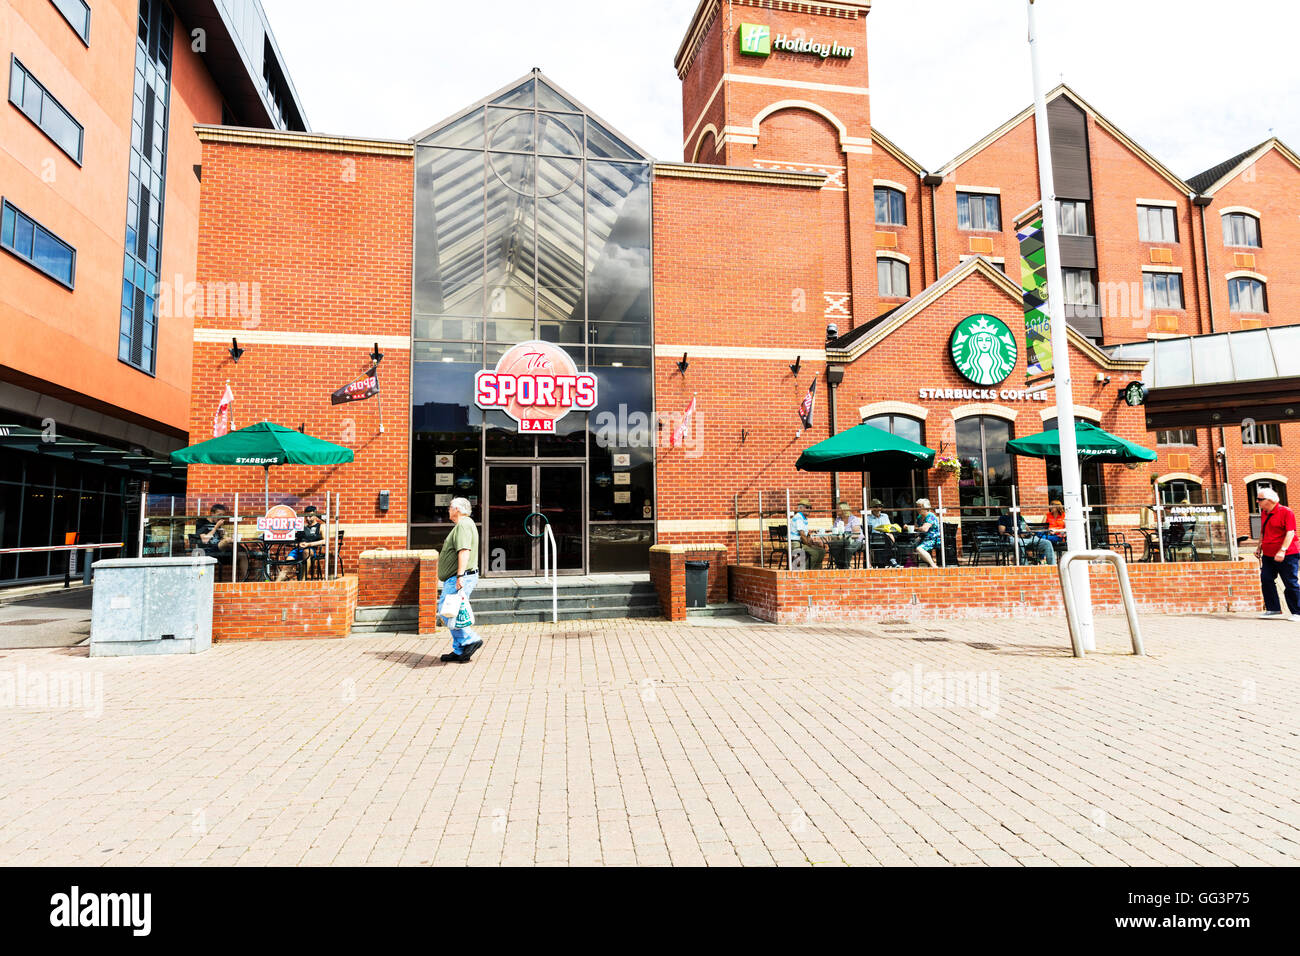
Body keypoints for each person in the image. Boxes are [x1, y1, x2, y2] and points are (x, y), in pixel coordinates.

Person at [439, 497, 484, 662]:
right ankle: (459, 650)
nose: (448, 510)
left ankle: (470, 639)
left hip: (459, 577)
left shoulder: (464, 524)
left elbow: (464, 550)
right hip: (458, 576)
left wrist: (459, 575)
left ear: (457, 509)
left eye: (450, 507)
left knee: (447, 611)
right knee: (453, 613)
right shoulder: (464, 524)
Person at [1254, 488, 1300, 621]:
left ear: (1270, 500)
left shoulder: (1286, 512)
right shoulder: (1264, 512)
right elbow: (1263, 531)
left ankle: (1297, 612)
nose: (1257, 501)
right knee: (1266, 579)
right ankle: (1273, 608)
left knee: (1290, 582)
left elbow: (1290, 532)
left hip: (1287, 554)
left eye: (1260, 499)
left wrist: (1282, 550)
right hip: (1268, 554)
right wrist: (1259, 547)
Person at [277, 505, 327, 581]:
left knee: (306, 552)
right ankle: (276, 583)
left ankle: (303, 580)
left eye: (310, 516)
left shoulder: (320, 526)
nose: (307, 518)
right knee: (287, 564)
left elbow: (325, 541)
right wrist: (297, 544)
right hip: (298, 549)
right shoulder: (301, 527)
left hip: (310, 549)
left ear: (315, 515)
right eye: (306, 516)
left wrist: (309, 544)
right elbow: (294, 539)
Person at [788, 497, 825, 570]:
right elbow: (802, 534)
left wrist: (813, 543)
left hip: (801, 542)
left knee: (822, 551)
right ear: (801, 508)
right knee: (815, 553)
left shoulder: (804, 518)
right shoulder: (798, 517)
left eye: (810, 508)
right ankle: (806, 570)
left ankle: (816, 570)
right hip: (795, 543)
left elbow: (806, 535)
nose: (809, 509)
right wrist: (810, 544)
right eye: (807, 507)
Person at [830, 502, 864, 568]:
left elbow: (856, 534)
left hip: (856, 541)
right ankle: (839, 565)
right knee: (834, 546)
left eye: (837, 508)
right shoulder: (838, 520)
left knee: (847, 548)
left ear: (843, 509)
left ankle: (846, 566)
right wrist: (836, 537)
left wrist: (845, 537)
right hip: (842, 541)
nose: (835, 510)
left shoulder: (853, 519)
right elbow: (834, 533)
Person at [913, 498, 942, 568]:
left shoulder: (931, 516)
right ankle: (913, 565)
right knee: (909, 546)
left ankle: (933, 565)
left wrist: (914, 528)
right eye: (917, 507)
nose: (918, 509)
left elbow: (924, 529)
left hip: (933, 539)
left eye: (920, 507)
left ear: (926, 508)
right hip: (922, 538)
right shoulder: (919, 517)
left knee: (919, 549)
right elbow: (916, 527)